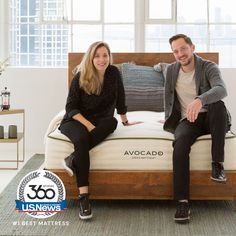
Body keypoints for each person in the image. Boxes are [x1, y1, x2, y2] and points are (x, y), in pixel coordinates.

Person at [59, 41, 140, 220]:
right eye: (97, 56)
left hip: (102, 120)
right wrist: (88, 125)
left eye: (105, 55)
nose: (102, 59)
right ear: (91, 58)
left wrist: (125, 121)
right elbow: (70, 107)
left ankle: (72, 158)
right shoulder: (80, 76)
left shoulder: (113, 73)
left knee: (112, 122)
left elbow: (121, 97)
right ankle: (84, 197)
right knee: (80, 140)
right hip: (75, 120)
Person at [163, 34, 230, 223]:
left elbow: (221, 89)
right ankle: (182, 202)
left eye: (183, 48)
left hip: (212, 119)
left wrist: (200, 100)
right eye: (175, 51)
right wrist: (167, 118)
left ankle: (217, 164)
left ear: (192, 47)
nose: (180, 54)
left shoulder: (208, 66)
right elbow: (167, 96)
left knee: (217, 105)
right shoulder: (171, 70)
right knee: (180, 144)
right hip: (188, 120)